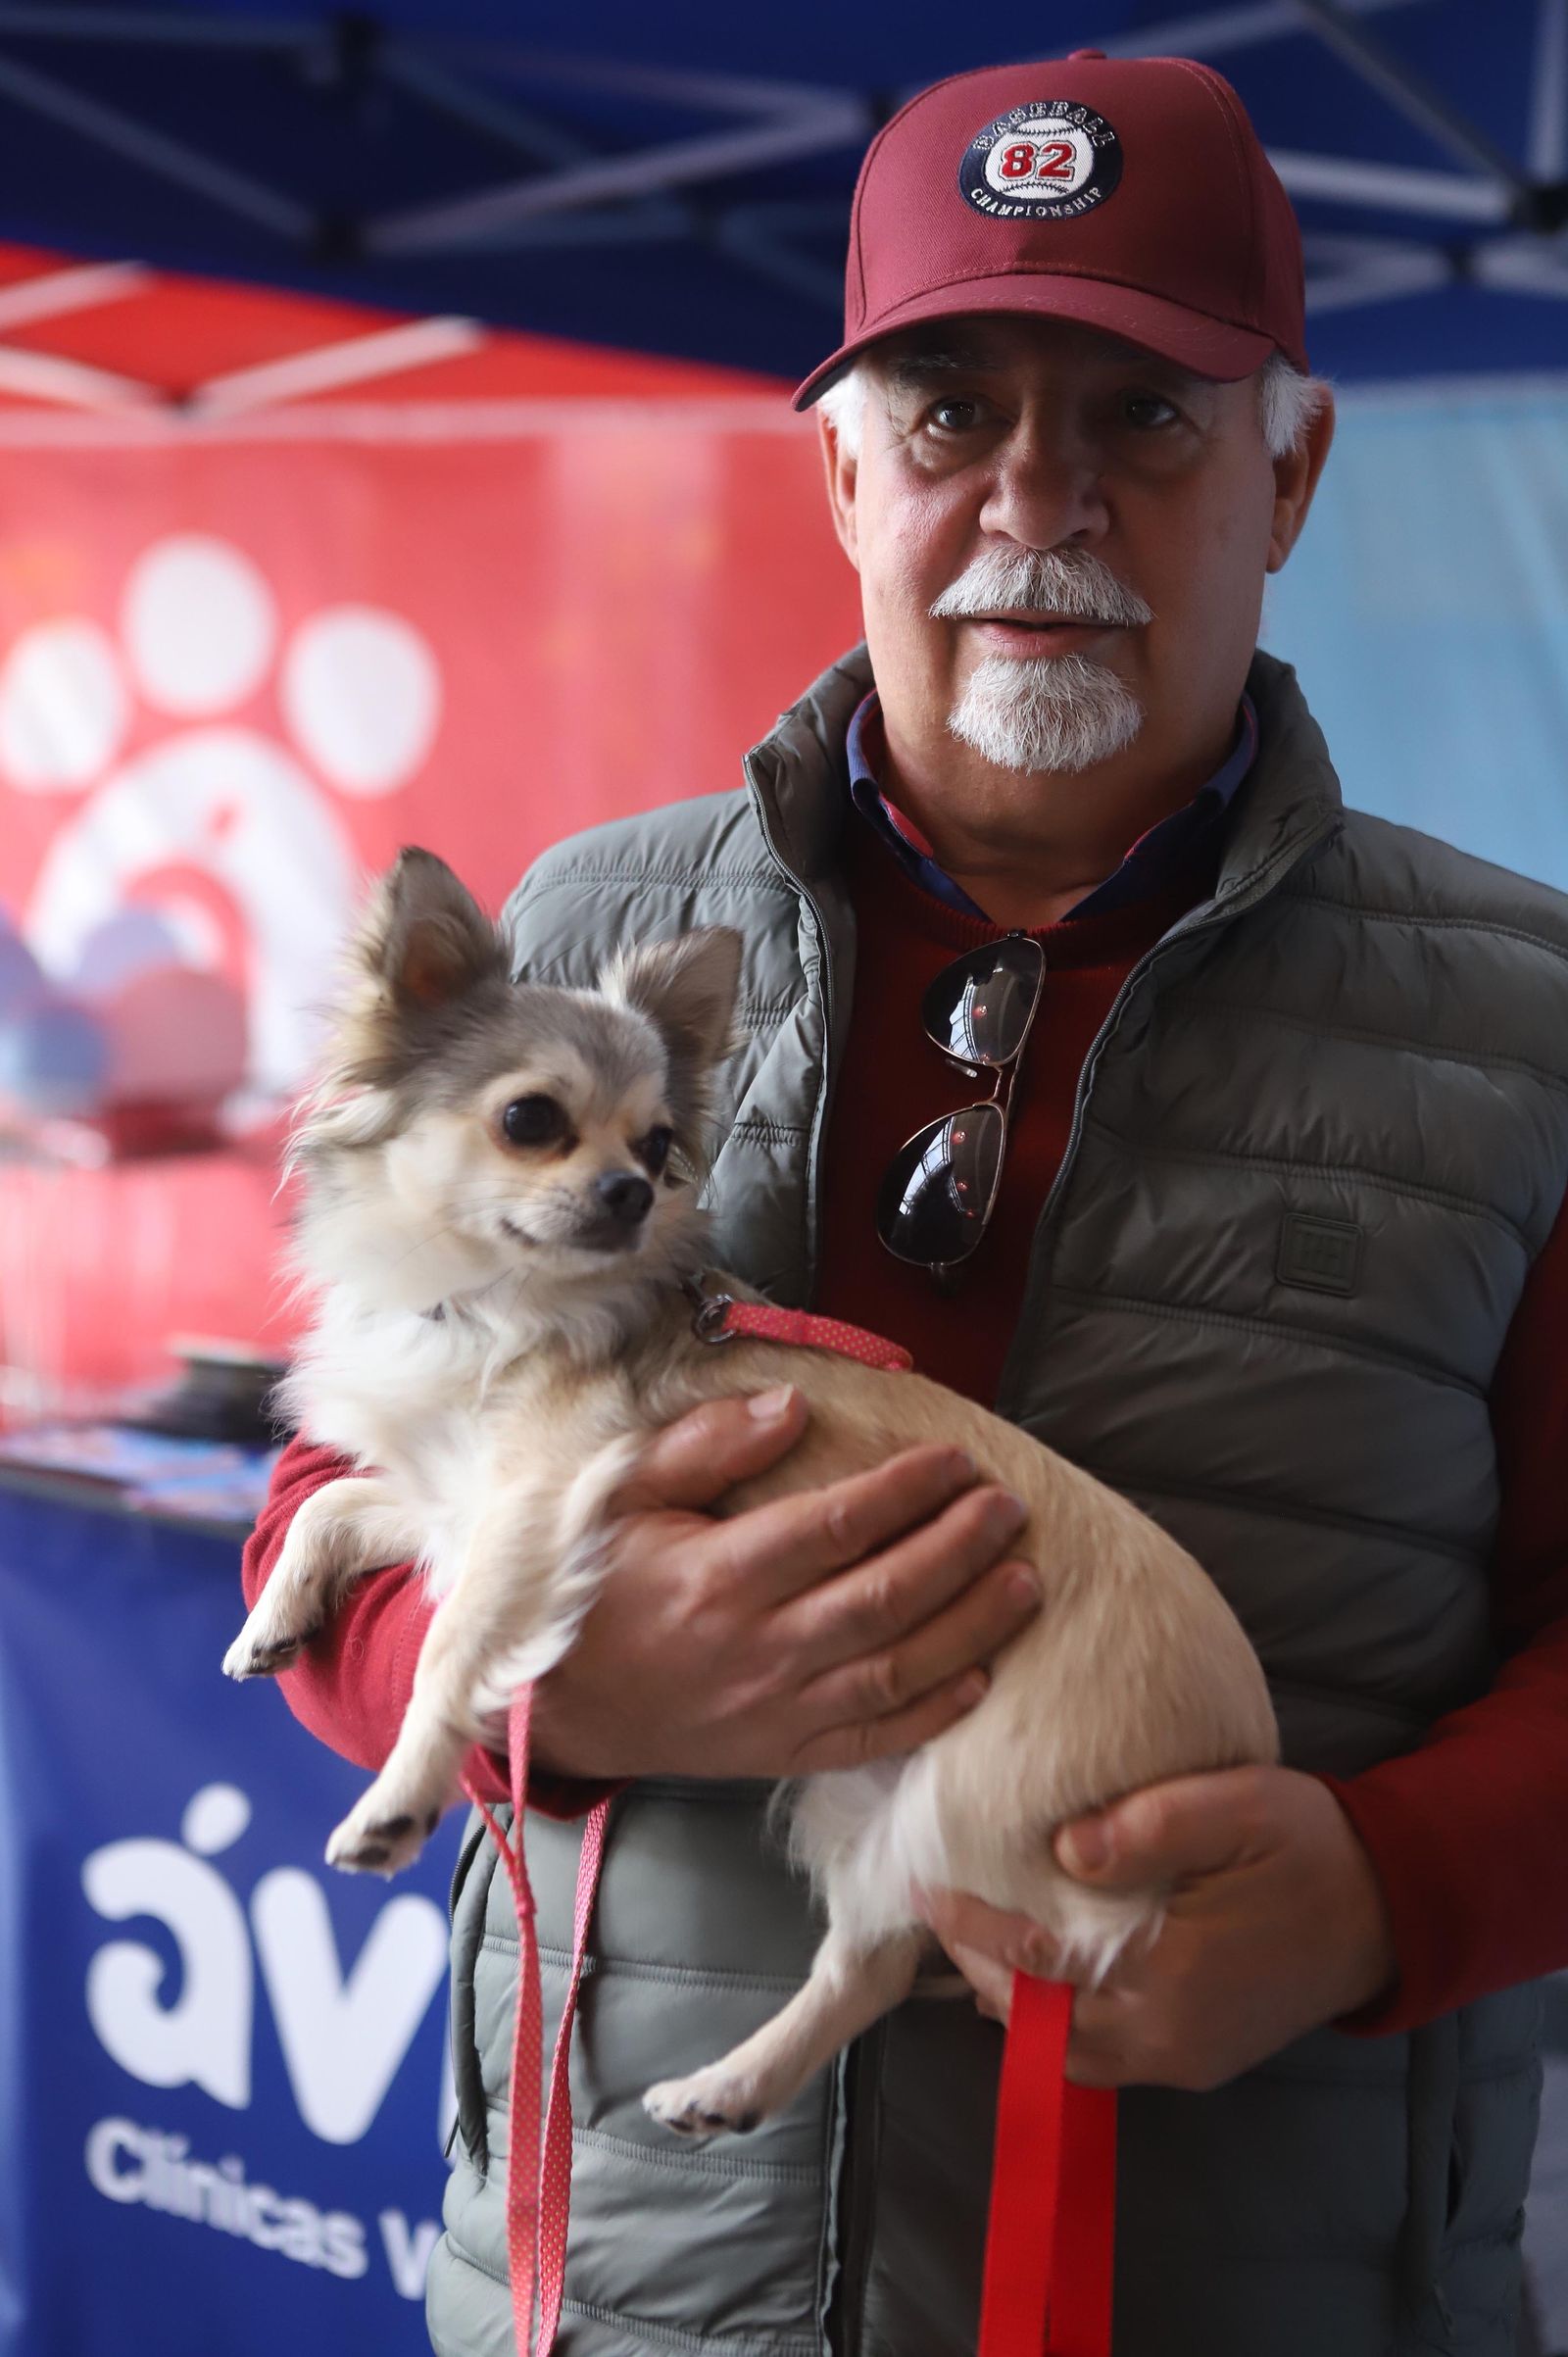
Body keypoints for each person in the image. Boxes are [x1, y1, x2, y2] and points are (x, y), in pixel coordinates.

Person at [243, 50, 1568, 2357]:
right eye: (951, 416)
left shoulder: (1523, 1023)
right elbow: (325, 1497)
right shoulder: (585, 935)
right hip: (640, 2292)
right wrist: (561, 1676)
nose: (1034, 501)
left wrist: (1384, 1892)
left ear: (1289, 467)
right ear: (842, 472)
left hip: (1261, 2287)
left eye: (1141, 417)